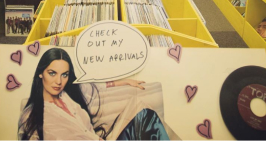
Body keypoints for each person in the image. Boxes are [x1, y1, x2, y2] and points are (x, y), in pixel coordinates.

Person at [18, 48, 170, 140]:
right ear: (40, 73)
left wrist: (125, 82)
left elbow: (98, 85)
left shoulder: (69, 93)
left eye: (64, 75)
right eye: (52, 73)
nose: (59, 81)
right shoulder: (30, 116)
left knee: (146, 116)